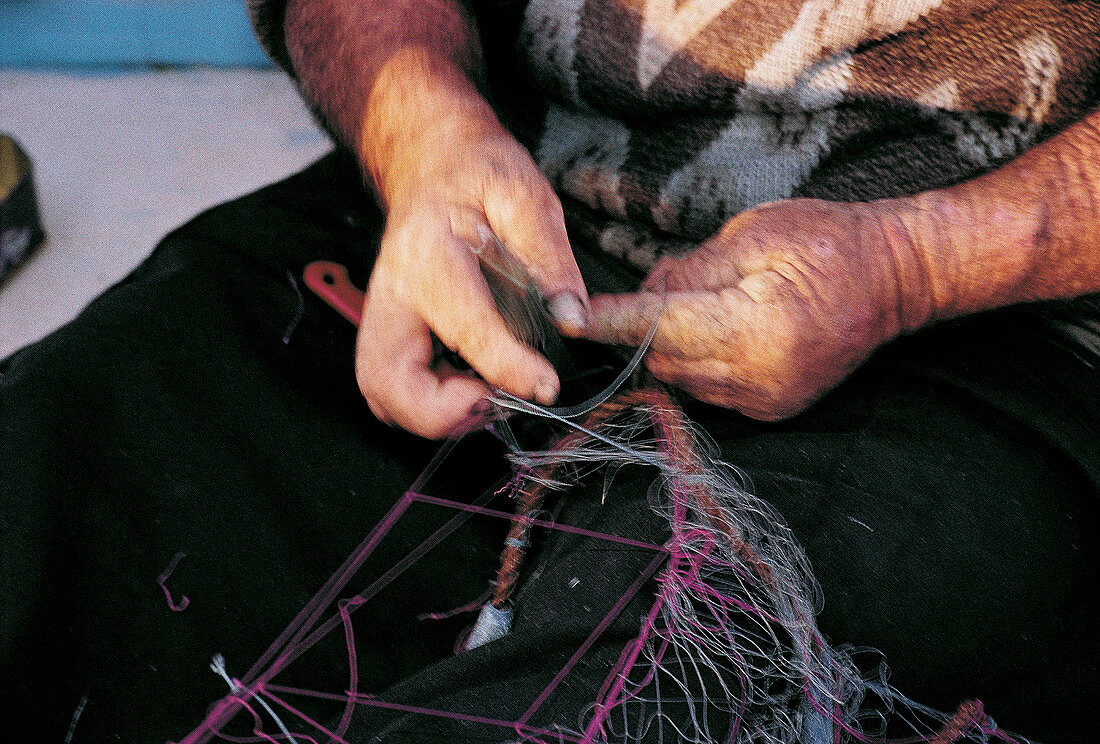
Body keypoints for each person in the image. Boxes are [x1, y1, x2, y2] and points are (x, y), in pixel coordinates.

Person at [1, 0, 1097, 741]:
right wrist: (418, 121)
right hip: (473, 212)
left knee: (660, 677)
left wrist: (912, 263)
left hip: (989, 316)